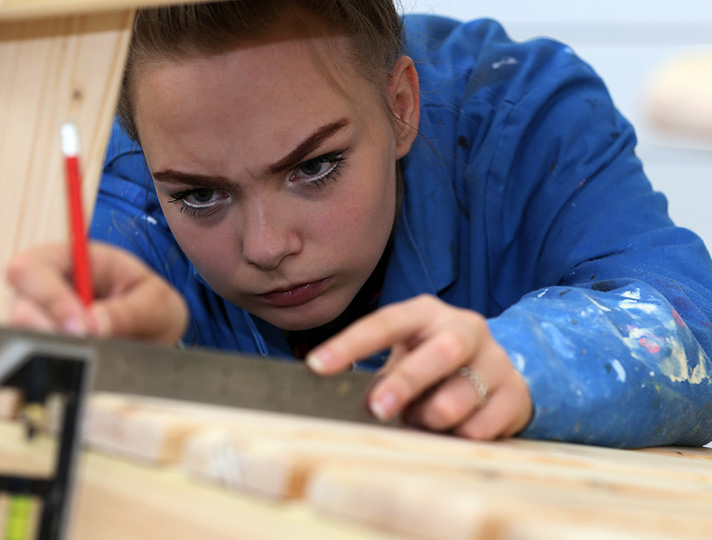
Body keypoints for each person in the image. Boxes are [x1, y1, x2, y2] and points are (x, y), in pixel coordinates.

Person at [8, 0, 712, 448]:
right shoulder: (114, 158)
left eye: (314, 167)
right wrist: (81, 332)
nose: (266, 247)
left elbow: (693, 318)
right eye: (198, 196)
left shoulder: (522, 116)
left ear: (402, 105)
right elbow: (72, 278)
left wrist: (528, 360)